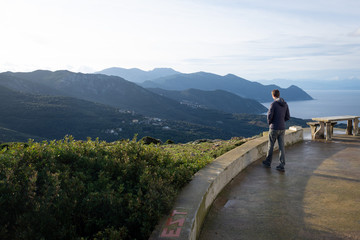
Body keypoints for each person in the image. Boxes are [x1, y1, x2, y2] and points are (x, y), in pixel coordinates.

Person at [262, 89, 290, 172]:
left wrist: (271, 123)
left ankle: (268, 162)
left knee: (271, 145)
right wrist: (281, 121)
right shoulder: (285, 104)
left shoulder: (273, 104)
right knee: (282, 147)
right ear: (279, 94)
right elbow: (287, 116)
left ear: (273, 95)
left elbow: (269, 116)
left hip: (274, 128)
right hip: (282, 128)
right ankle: (282, 165)